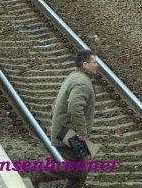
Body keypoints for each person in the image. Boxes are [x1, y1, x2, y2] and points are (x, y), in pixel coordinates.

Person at [30, 49, 98, 188]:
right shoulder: (82, 83)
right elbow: (74, 107)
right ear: (85, 64)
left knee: (81, 168)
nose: (97, 65)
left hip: (65, 130)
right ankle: (36, 173)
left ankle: (38, 173)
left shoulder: (74, 76)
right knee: (77, 169)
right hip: (70, 133)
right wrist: (82, 132)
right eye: (94, 62)